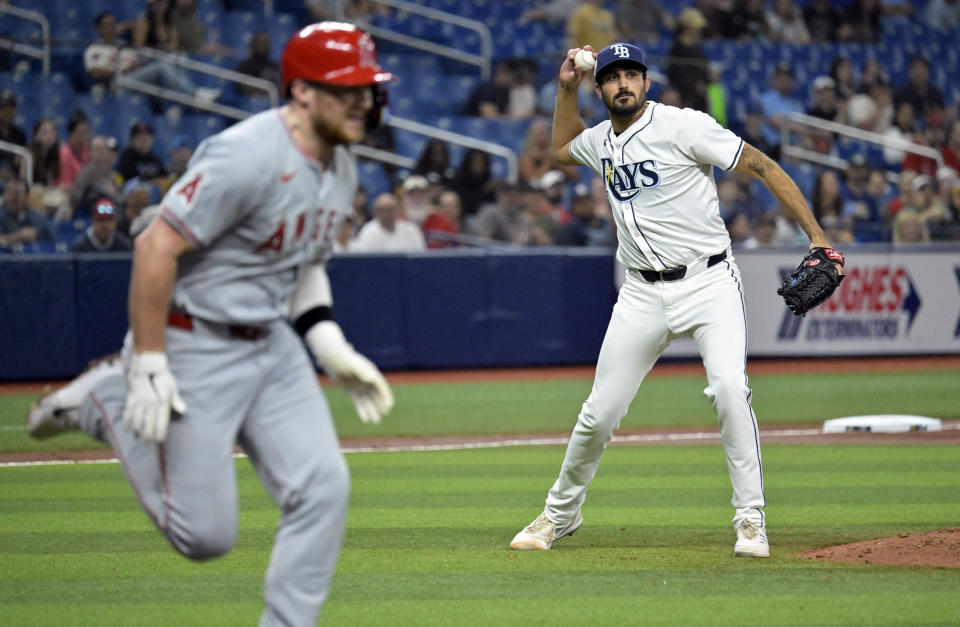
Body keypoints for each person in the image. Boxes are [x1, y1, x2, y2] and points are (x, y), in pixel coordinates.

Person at [25, 22, 394, 626]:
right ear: (301, 92)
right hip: (192, 338)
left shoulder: (343, 168)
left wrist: (330, 344)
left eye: (367, 87)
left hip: (271, 344)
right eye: (346, 88)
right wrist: (148, 361)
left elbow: (302, 265)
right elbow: (153, 248)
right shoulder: (247, 154)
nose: (363, 100)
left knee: (325, 488)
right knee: (206, 537)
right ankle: (106, 396)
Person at [509, 42, 843, 558]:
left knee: (731, 388)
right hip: (641, 291)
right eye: (613, 76)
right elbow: (559, 149)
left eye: (632, 75)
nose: (623, 83)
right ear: (601, 88)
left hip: (709, 282)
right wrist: (565, 89)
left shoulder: (684, 125)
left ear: (647, 83)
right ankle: (560, 514)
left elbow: (762, 165)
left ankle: (750, 518)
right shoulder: (599, 140)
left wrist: (817, 238)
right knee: (598, 413)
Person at [68, 135, 122, 222]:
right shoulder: (85, 174)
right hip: (92, 217)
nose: (100, 154)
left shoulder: (112, 175)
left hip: (114, 216)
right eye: (96, 150)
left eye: (103, 150)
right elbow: (75, 198)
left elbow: (120, 199)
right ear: (90, 152)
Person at [350, 191, 426, 252]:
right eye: (382, 210)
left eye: (390, 210)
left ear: (398, 210)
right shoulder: (368, 232)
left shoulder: (411, 230)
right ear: (375, 212)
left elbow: (420, 256)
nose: (387, 214)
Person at [666, 7, 709, 112]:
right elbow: (676, 73)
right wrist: (695, 84)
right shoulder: (678, 47)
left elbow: (702, 68)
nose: (699, 30)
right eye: (696, 27)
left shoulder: (696, 46)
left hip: (698, 96)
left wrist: (705, 80)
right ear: (687, 27)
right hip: (686, 97)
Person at [0, 178, 54, 250]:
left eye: (17, 193)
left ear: (26, 197)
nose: (12, 197)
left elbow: (55, 245)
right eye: (9, 192)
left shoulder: (40, 220)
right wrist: (18, 237)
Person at [234, 32, 283, 97]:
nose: (263, 44)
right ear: (253, 44)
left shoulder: (274, 67)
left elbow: (280, 88)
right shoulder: (244, 67)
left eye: (265, 42)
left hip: (272, 103)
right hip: (249, 104)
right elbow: (240, 87)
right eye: (260, 41)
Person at [55, 110, 91, 189]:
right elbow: (64, 186)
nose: (84, 137)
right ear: (71, 134)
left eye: (86, 133)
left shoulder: (87, 151)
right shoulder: (63, 154)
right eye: (80, 133)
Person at [0, 91, 26, 172]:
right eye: (5, 109)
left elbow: (22, 159)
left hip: (14, 178)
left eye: (12, 109)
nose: (9, 113)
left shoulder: (20, 134)